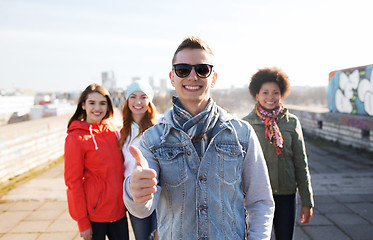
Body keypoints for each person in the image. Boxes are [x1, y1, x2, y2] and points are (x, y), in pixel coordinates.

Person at [122, 36, 275, 240]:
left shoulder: (242, 133)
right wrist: (135, 190)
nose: (192, 76)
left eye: (202, 69)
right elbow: (142, 209)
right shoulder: (152, 139)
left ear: (214, 77)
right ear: (172, 77)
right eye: (183, 70)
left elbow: (261, 201)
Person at [242, 67, 314, 240]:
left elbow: (301, 163)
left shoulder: (292, 122)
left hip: (286, 194)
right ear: (256, 95)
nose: (270, 97)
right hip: (256, 196)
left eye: (275, 92)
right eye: (265, 92)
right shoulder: (245, 124)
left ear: (282, 94)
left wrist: (307, 201)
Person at [64, 84, 129, 240]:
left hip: (119, 211)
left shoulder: (113, 131)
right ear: (83, 105)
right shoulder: (75, 138)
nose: (97, 108)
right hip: (94, 215)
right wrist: (82, 222)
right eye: (92, 103)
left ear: (108, 106)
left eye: (102, 103)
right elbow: (73, 182)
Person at [119, 81, 158, 240]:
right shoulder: (122, 132)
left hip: (158, 192)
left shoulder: (159, 127)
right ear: (127, 101)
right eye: (133, 97)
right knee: (142, 237)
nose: (138, 102)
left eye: (143, 97)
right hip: (136, 194)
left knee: (160, 235)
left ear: (149, 101)